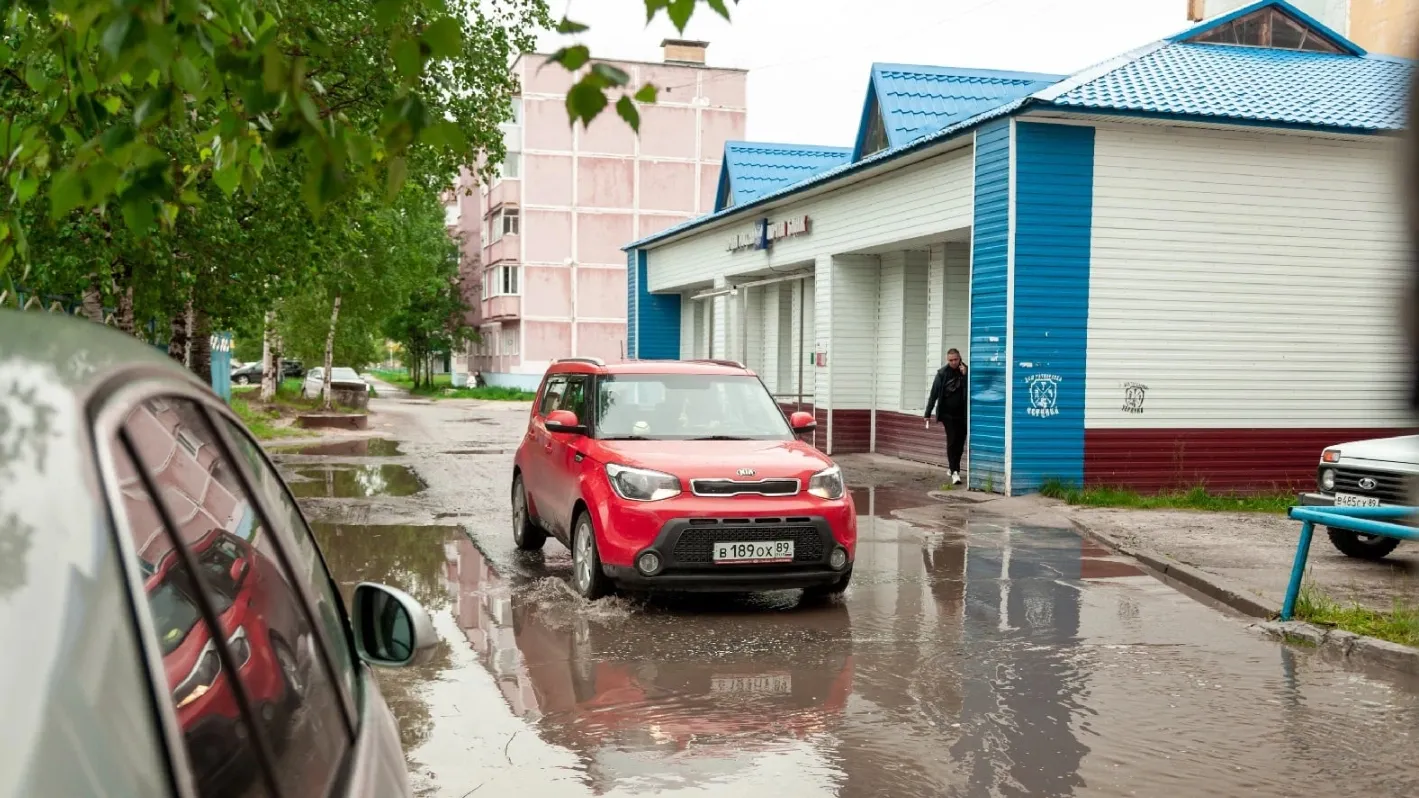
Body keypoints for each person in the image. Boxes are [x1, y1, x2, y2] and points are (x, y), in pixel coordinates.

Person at [925, 348, 968, 485]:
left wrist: (965, 375)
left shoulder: (965, 371)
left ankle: (953, 467)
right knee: (952, 440)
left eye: (956, 359)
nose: (953, 362)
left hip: (962, 414)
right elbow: (934, 394)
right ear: (947, 360)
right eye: (951, 360)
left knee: (960, 442)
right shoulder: (942, 374)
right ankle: (955, 471)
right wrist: (927, 413)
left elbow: (972, 389)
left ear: (960, 358)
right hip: (947, 414)